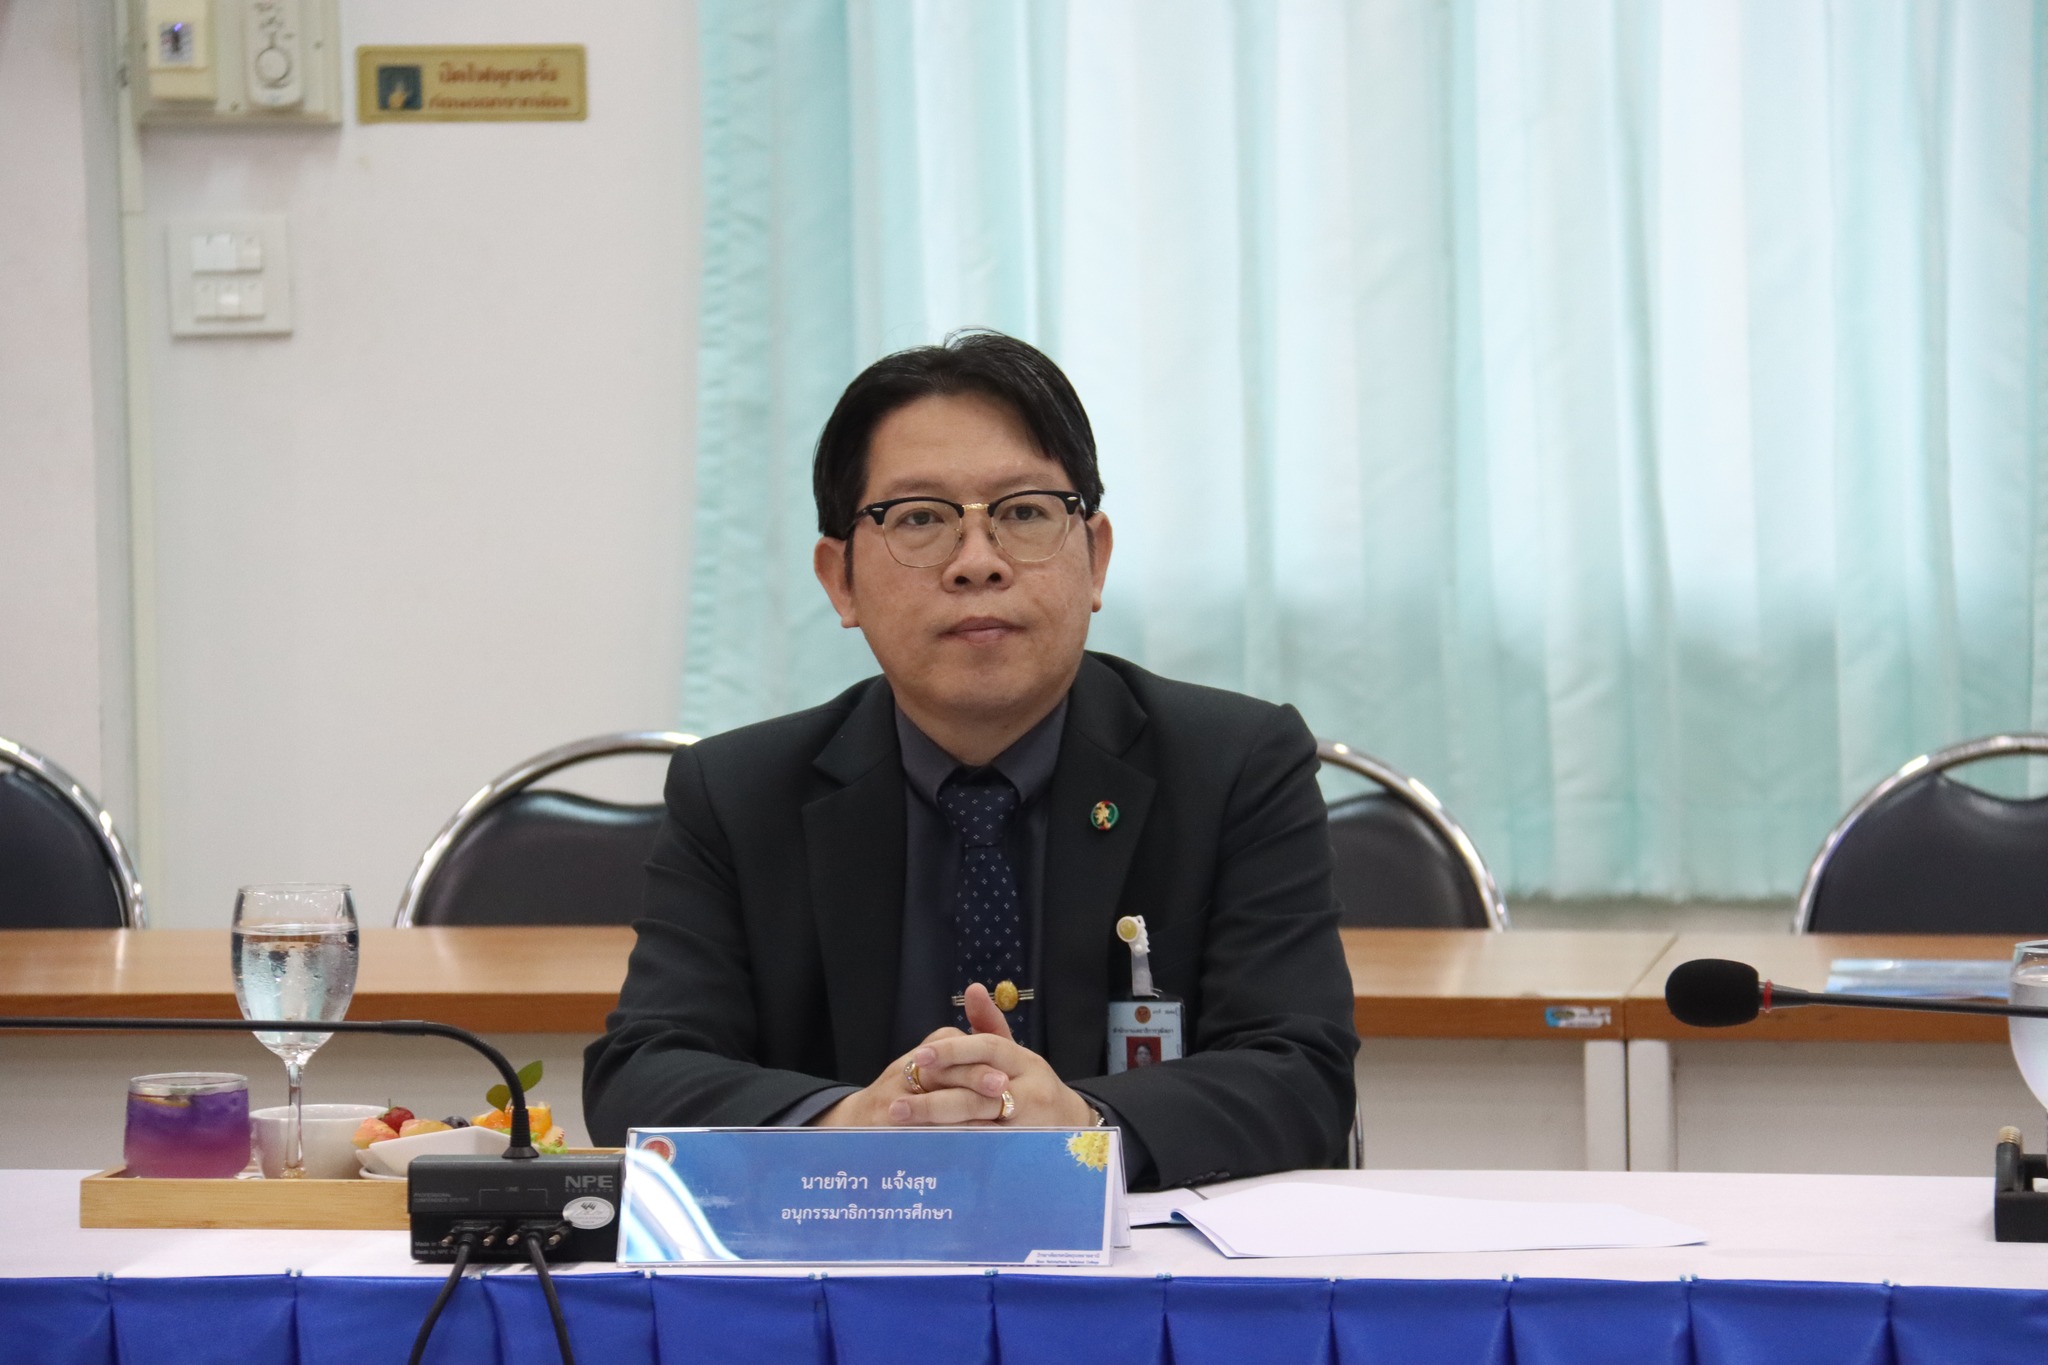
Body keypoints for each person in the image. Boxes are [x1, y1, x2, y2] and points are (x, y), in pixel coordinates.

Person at [583, 331, 1358, 1189]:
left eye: (1024, 512)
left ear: (1095, 558)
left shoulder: (1236, 765)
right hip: (851, 1251)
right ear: (840, 580)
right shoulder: (737, 792)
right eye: (920, 518)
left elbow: (1301, 1073)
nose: (978, 562)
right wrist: (849, 1125)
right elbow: (642, 1073)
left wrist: (1084, 1126)